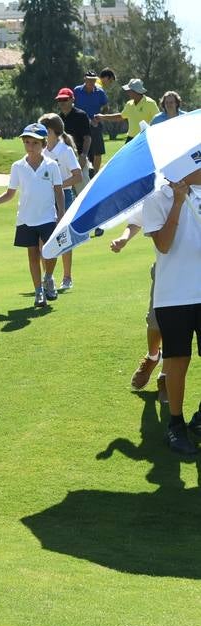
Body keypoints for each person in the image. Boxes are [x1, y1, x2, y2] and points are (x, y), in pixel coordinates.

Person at [141, 167, 201, 454]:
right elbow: (164, 245)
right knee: (178, 361)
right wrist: (177, 202)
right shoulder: (156, 199)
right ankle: (175, 426)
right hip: (174, 296)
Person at [0, 124, 65, 308]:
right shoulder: (18, 166)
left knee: (50, 252)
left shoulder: (52, 165)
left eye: (35, 143)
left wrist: (61, 213)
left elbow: (58, 191)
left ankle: (48, 278)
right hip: (26, 218)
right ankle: (39, 292)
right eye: (27, 142)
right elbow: (10, 194)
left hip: (48, 217)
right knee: (32, 255)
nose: (30, 146)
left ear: (43, 144)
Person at [113, 208, 166, 394]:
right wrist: (124, 238)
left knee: (179, 327)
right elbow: (136, 220)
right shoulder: (159, 194)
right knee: (154, 323)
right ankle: (153, 357)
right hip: (164, 270)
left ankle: (166, 375)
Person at [39, 113, 84, 292]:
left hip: (64, 196)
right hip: (45, 198)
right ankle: (47, 278)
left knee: (63, 238)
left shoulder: (65, 150)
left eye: (42, 130)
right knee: (43, 239)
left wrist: (57, 185)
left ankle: (67, 277)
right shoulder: (42, 151)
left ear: (50, 131)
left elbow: (78, 176)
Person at [73, 70, 110, 174]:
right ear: (85, 79)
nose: (91, 83)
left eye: (93, 80)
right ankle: (80, 173)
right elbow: (72, 106)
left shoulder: (100, 92)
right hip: (80, 125)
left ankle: (95, 174)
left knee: (97, 152)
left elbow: (106, 107)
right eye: (89, 80)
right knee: (80, 150)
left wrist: (100, 117)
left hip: (95, 125)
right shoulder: (77, 90)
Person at [53, 88, 93, 167]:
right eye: (59, 100)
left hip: (79, 156)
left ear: (72, 100)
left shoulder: (81, 115)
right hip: (61, 157)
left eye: (65, 99)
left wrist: (84, 155)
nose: (62, 102)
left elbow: (87, 137)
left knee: (82, 179)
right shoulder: (57, 118)